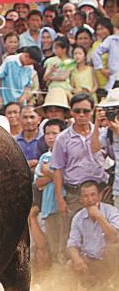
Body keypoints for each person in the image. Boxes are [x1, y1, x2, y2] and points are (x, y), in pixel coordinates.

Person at [51, 92, 107, 235]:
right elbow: (58, 169)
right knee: (73, 235)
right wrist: (60, 199)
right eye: (77, 111)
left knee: (102, 233)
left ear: (92, 111)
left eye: (86, 111)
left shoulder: (103, 134)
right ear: (71, 112)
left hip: (100, 191)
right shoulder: (62, 139)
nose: (81, 115)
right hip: (75, 194)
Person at [66, 180, 119, 286]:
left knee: (114, 248)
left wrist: (99, 217)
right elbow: (72, 244)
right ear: (81, 199)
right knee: (70, 264)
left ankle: (114, 287)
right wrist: (77, 260)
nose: (90, 199)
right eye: (85, 196)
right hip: (90, 261)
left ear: (100, 196)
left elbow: (114, 237)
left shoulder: (111, 211)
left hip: (109, 261)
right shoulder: (78, 217)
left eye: (93, 195)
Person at [35, 118, 68, 264]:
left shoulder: (67, 154)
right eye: (47, 133)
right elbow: (38, 182)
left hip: (64, 203)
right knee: (52, 243)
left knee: (65, 242)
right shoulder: (44, 157)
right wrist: (54, 175)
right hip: (48, 206)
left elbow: (68, 179)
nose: (50, 137)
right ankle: (55, 277)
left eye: (54, 133)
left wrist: (48, 172)